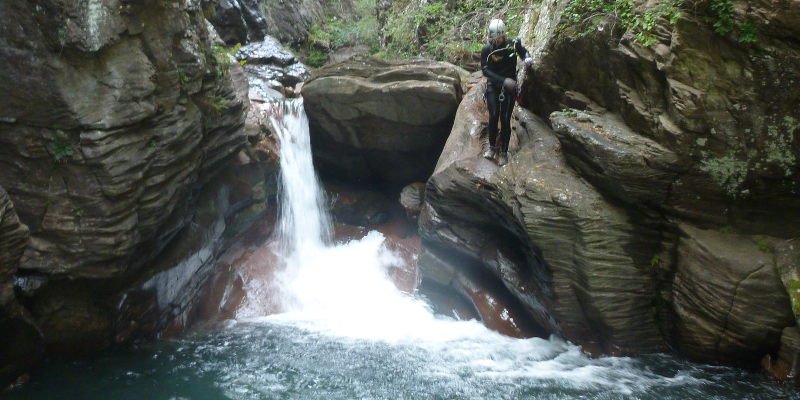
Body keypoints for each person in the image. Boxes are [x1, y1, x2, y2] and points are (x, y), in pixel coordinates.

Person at [480, 18, 532, 166]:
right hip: (494, 85)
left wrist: (527, 58)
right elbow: (485, 70)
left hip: (509, 88)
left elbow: (523, 52)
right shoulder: (487, 49)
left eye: (498, 38)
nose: (496, 41)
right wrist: (503, 81)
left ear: (503, 35)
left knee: (505, 118)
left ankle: (503, 151)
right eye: (493, 38)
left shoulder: (512, 44)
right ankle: (492, 147)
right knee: (493, 115)